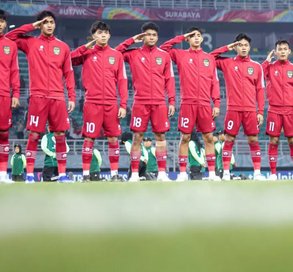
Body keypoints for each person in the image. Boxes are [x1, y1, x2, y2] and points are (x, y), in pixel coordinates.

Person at [6, 11, 75, 184]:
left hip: (58, 97)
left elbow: (68, 73)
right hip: (37, 96)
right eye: (45, 22)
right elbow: (9, 36)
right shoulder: (31, 42)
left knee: (60, 136)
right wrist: (32, 26)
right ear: (39, 25)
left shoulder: (64, 47)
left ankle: (62, 174)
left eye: (51, 22)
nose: (49, 25)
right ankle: (29, 175)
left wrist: (71, 96)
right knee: (34, 135)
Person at [115, 22, 175, 182]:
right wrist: (131, 40)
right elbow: (115, 53)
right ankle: (134, 174)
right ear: (143, 37)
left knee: (161, 137)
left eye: (154, 35)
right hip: (140, 102)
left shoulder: (164, 56)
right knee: (137, 137)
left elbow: (170, 79)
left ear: (157, 37)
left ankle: (162, 174)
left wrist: (172, 101)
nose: (151, 37)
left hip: (160, 103)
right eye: (148, 34)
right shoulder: (133, 53)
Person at [160, 28, 221, 182]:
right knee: (185, 137)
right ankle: (182, 173)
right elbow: (163, 49)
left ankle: (212, 174)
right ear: (187, 39)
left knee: (208, 137)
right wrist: (181, 37)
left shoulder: (209, 58)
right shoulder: (180, 55)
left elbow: (215, 82)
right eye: (192, 36)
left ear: (202, 39)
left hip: (205, 104)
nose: (196, 38)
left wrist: (217, 102)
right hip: (188, 103)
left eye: (199, 35)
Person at [71, 21, 127, 183]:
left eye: (105, 32)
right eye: (99, 33)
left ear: (109, 35)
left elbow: (122, 81)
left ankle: (114, 174)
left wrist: (123, 104)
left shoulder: (116, 55)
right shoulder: (87, 53)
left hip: (111, 104)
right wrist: (84, 48)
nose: (103, 35)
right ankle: (86, 175)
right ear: (93, 36)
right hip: (92, 103)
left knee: (113, 139)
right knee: (89, 138)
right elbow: (67, 59)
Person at [210, 34, 266, 181]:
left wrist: (260, 111)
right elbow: (210, 57)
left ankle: (257, 173)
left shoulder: (256, 67)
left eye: (246, 45)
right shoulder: (227, 63)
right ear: (236, 47)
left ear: (249, 47)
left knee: (253, 140)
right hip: (233, 109)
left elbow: (260, 90)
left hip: (250, 110)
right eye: (240, 45)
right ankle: (226, 173)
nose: (243, 48)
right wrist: (226, 47)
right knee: (229, 140)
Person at [262, 40, 293, 180]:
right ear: (275, 52)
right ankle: (273, 174)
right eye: (279, 49)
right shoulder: (269, 68)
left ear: (289, 51)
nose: (282, 51)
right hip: (274, 110)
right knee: (273, 141)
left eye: (285, 49)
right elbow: (257, 76)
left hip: (289, 110)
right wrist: (266, 62)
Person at [0, 10, 20, 184]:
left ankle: (2, 175)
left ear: (5, 24)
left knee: (3, 135)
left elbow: (14, 71)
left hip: (4, 95)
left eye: (1, 21)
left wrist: (16, 93)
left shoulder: (11, 45)